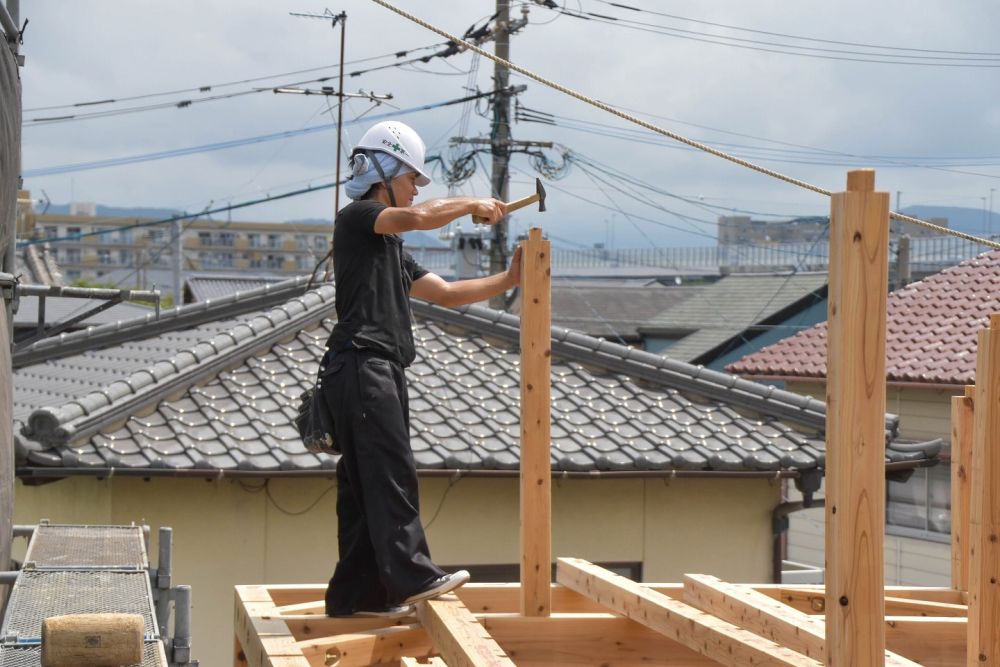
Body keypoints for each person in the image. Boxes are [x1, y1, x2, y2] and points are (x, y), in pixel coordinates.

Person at [321, 120, 522, 618]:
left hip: (368, 369)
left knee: (365, 483)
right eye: (411, 178)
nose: (414, 191)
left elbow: (450, 293)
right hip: (364, 364)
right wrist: (473, 202)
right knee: (390, 472)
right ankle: (413, 576)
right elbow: (423, 216)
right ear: (384, 170)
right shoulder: (359, 218)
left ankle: (358, 596)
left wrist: (513, 277)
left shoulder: (387, 247)